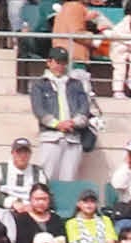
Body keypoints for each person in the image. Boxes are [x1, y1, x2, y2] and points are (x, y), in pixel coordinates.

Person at [29, 47, 94, 185]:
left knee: (69, 179)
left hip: (73, 137)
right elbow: (39, 110)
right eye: (57, 62)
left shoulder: (75, 84)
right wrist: (57, 124)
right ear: (49, 62)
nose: (60, 66)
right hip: (50, 137)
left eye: (63, 62)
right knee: (47, 177)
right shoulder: (39, 84)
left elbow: (84, 108)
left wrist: (73, 123)